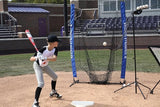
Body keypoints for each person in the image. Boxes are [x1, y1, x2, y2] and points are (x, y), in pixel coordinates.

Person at [30, 35, 62, 107]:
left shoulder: (55, 49)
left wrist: (45, 57)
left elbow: (54, 59)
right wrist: (37, 57)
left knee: (55, 77)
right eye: (56, 41)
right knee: (41, 84)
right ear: (53, 43)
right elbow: (31, 59)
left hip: (45, 66)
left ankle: (53, 91)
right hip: (38, 66)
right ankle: (35, 102)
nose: (58, 43)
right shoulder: (43, 49)